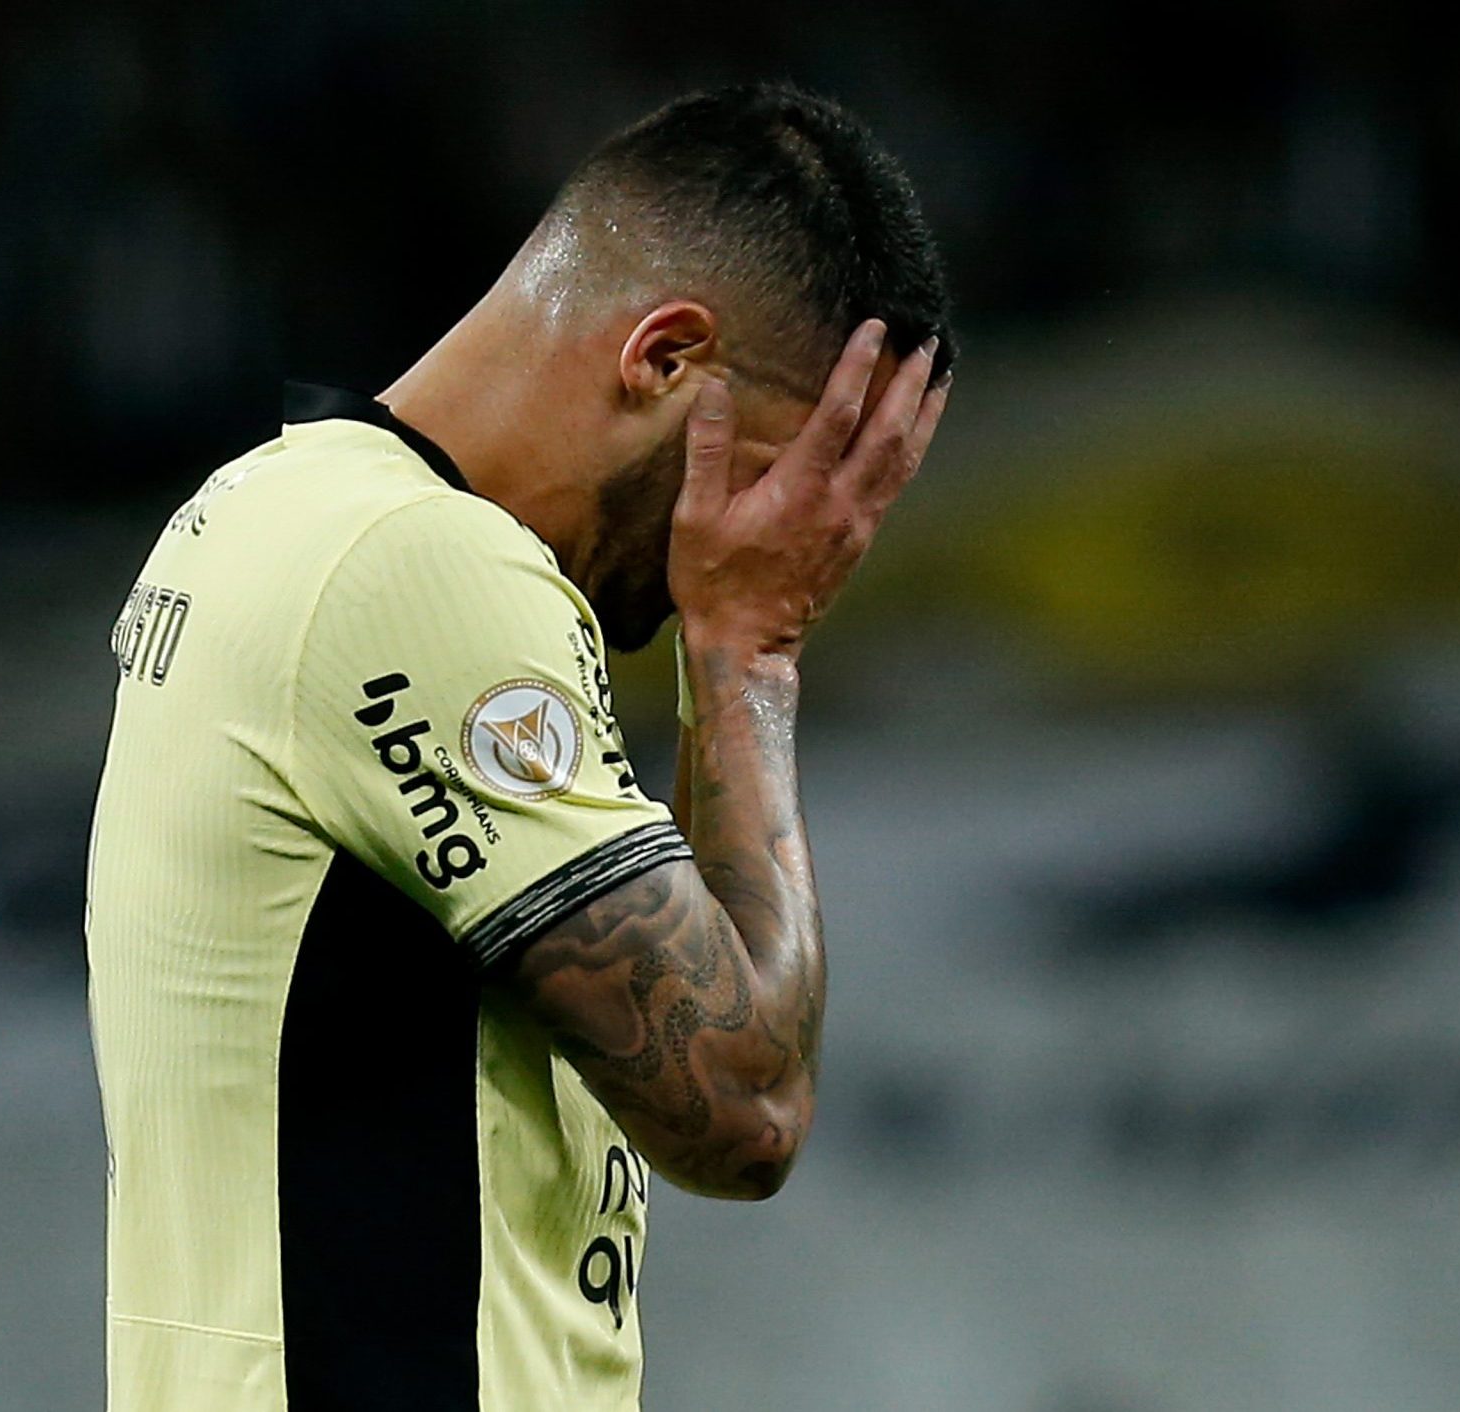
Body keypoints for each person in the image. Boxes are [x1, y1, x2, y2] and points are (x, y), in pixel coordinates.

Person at [86, 80, 955, 1409]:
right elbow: (742, 1103)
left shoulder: (269, 504)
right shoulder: (418, 568)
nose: (783, 539)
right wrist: (751, 648)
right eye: (773, 476)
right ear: (665, 359)